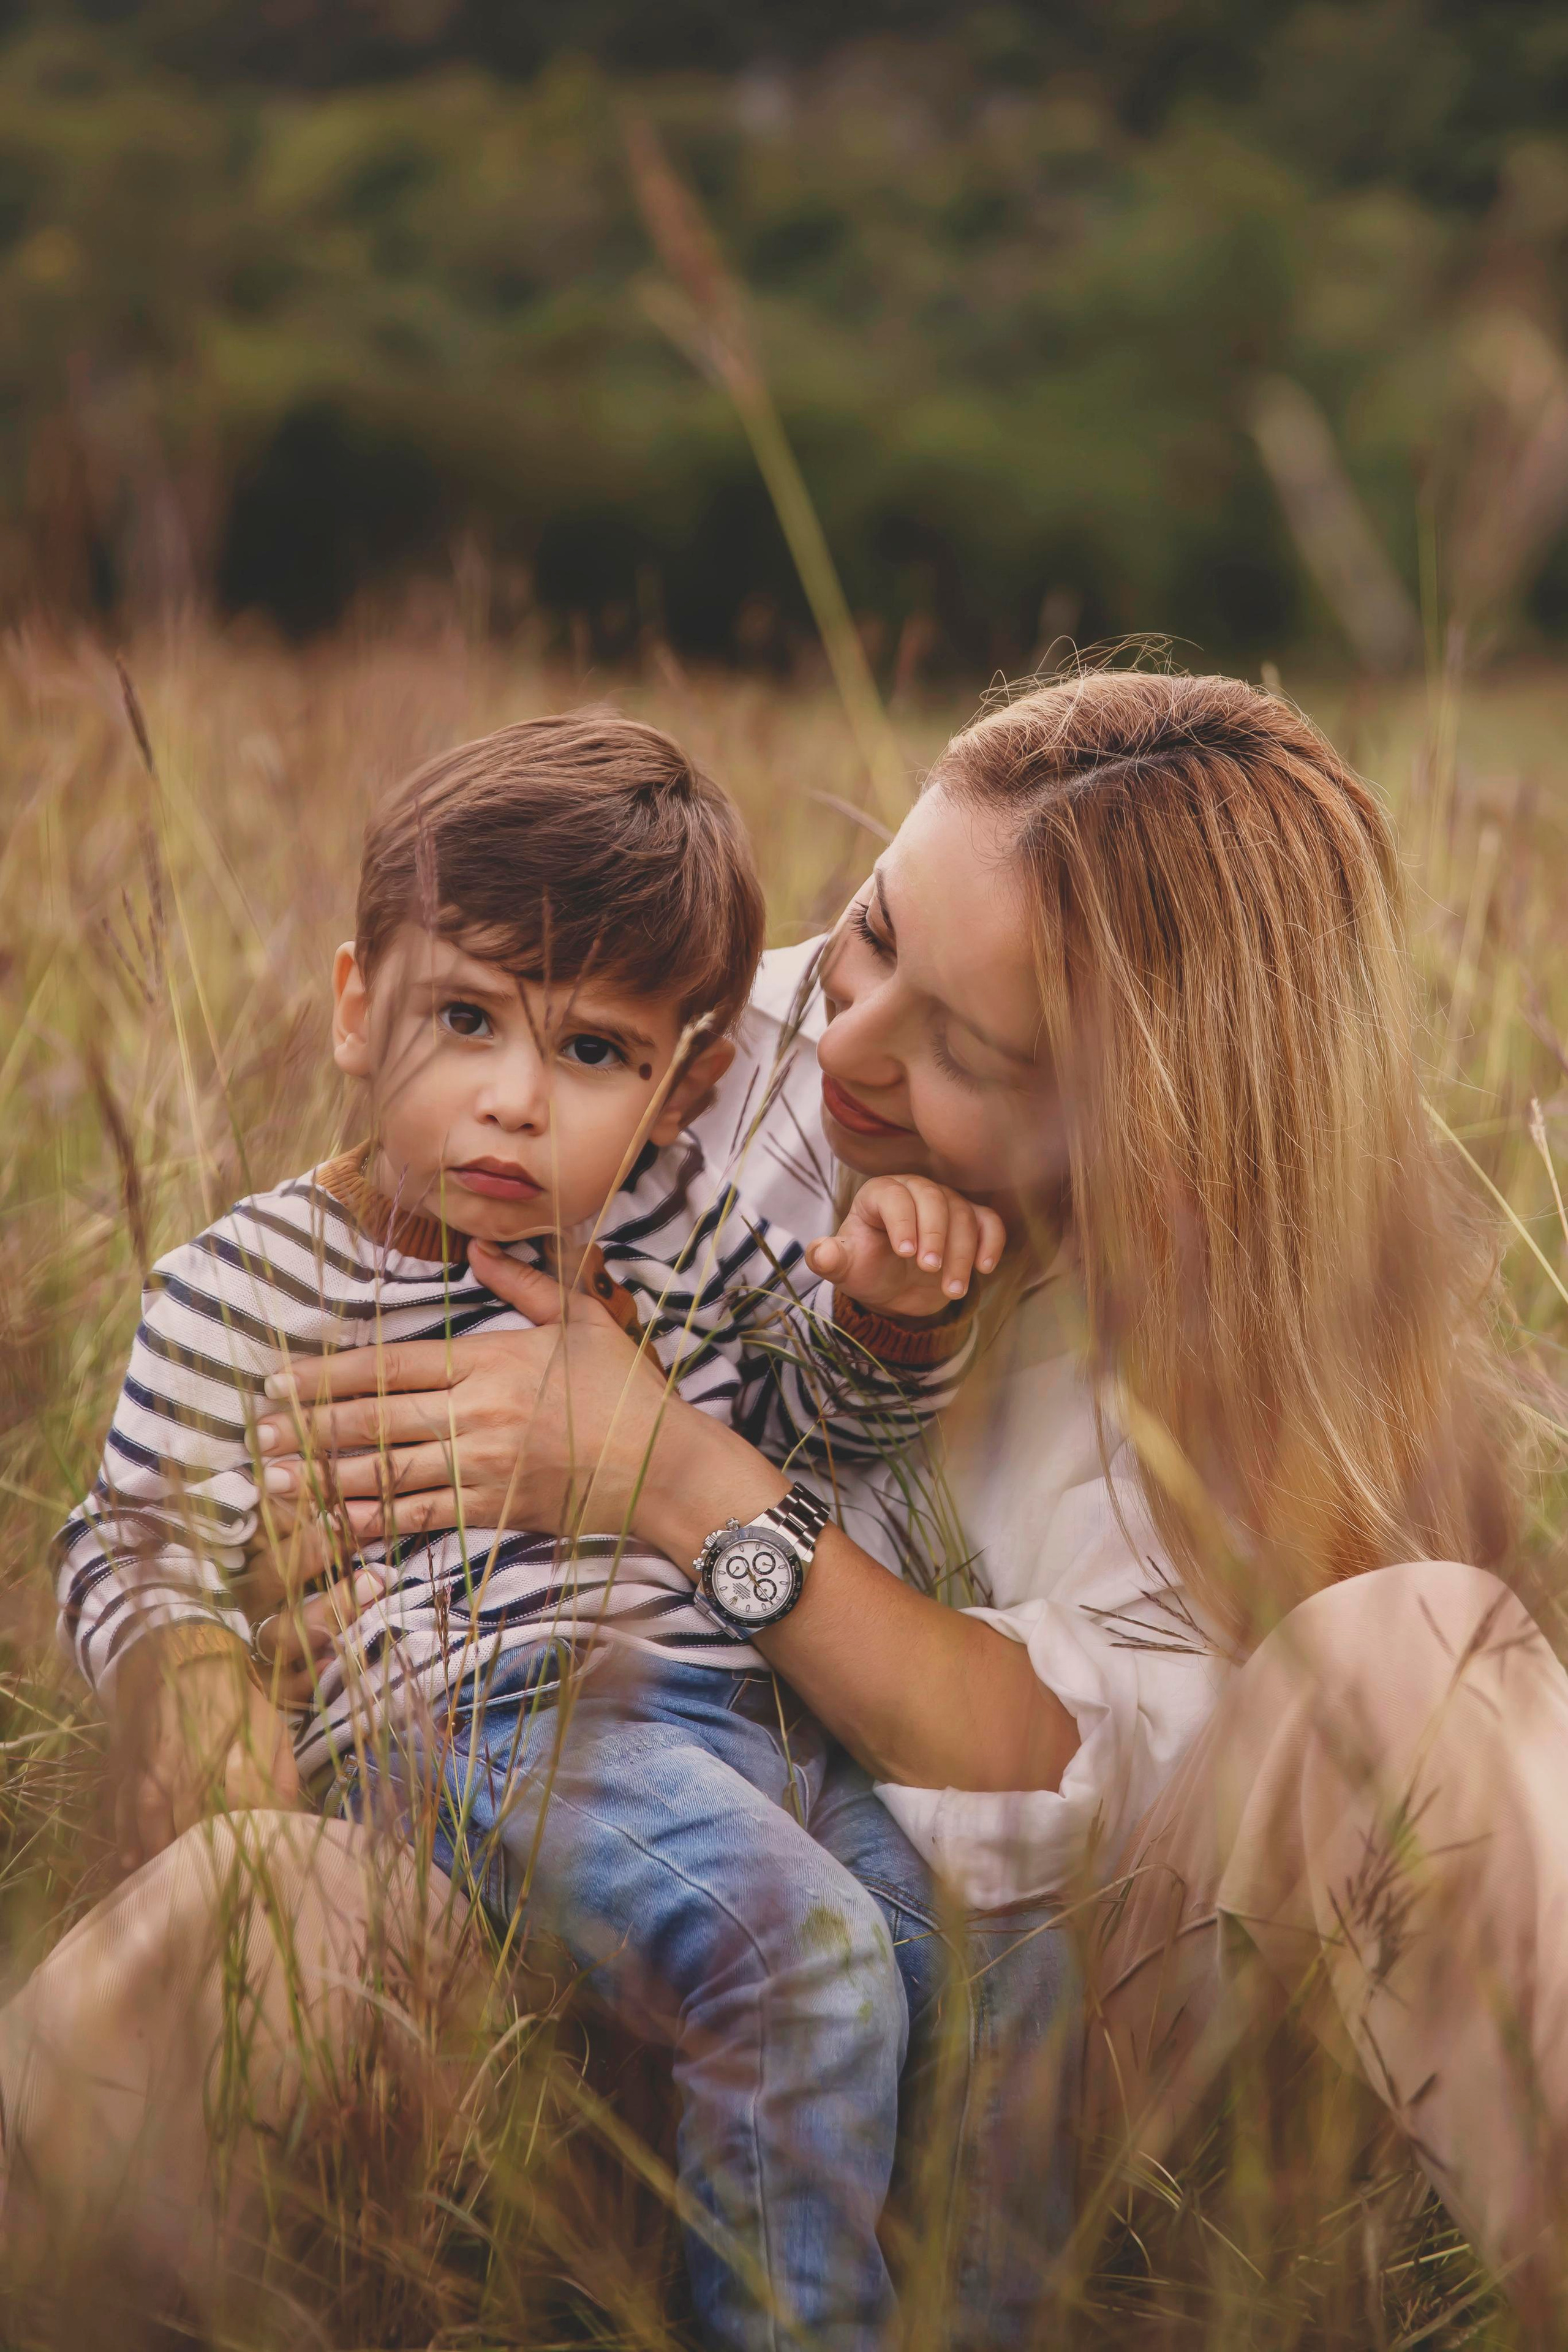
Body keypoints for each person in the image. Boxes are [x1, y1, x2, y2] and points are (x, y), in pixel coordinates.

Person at [7, 668, 1565, 2337]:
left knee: (1435, 1654)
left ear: (1149, 1138)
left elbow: (1052, 1769)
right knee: (255, 1897)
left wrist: (675, 1477)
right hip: (557, 1934)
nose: (839, 1042)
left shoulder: (1263, 1344)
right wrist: (212, 1666)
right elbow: (146, 1498)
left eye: (966, 1046)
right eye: (876, 931)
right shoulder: (665, 1048)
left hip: (1029, 2045)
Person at [44, 709, 1041, 2352]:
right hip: (488, 1727)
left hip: (759, 1730)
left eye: (591, 1052)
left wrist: (891, 1325)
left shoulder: (672, 1230)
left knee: (988, 1970)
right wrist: (193, 1677)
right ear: (359, 1009)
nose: (514, 1103)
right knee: (808, 1959)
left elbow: (809, 1448)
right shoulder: (247, 1283)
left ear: (681, 1088)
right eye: (465, 1019)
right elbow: (138, 1535)